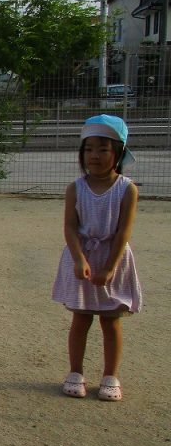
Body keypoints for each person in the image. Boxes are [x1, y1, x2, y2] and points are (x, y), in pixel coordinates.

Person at [52, 114, 142, 402]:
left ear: (119, 153)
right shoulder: (75, 188)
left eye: (103, 149)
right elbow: (69, 227)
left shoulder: (127, 189)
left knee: (110, 320)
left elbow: (123, 231)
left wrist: (110, 266)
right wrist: (79, 259)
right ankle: (75, 372)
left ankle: (110, 376)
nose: (95, 156)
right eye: (89, 149)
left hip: (112, 258)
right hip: (83, 258)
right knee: (80, 318)